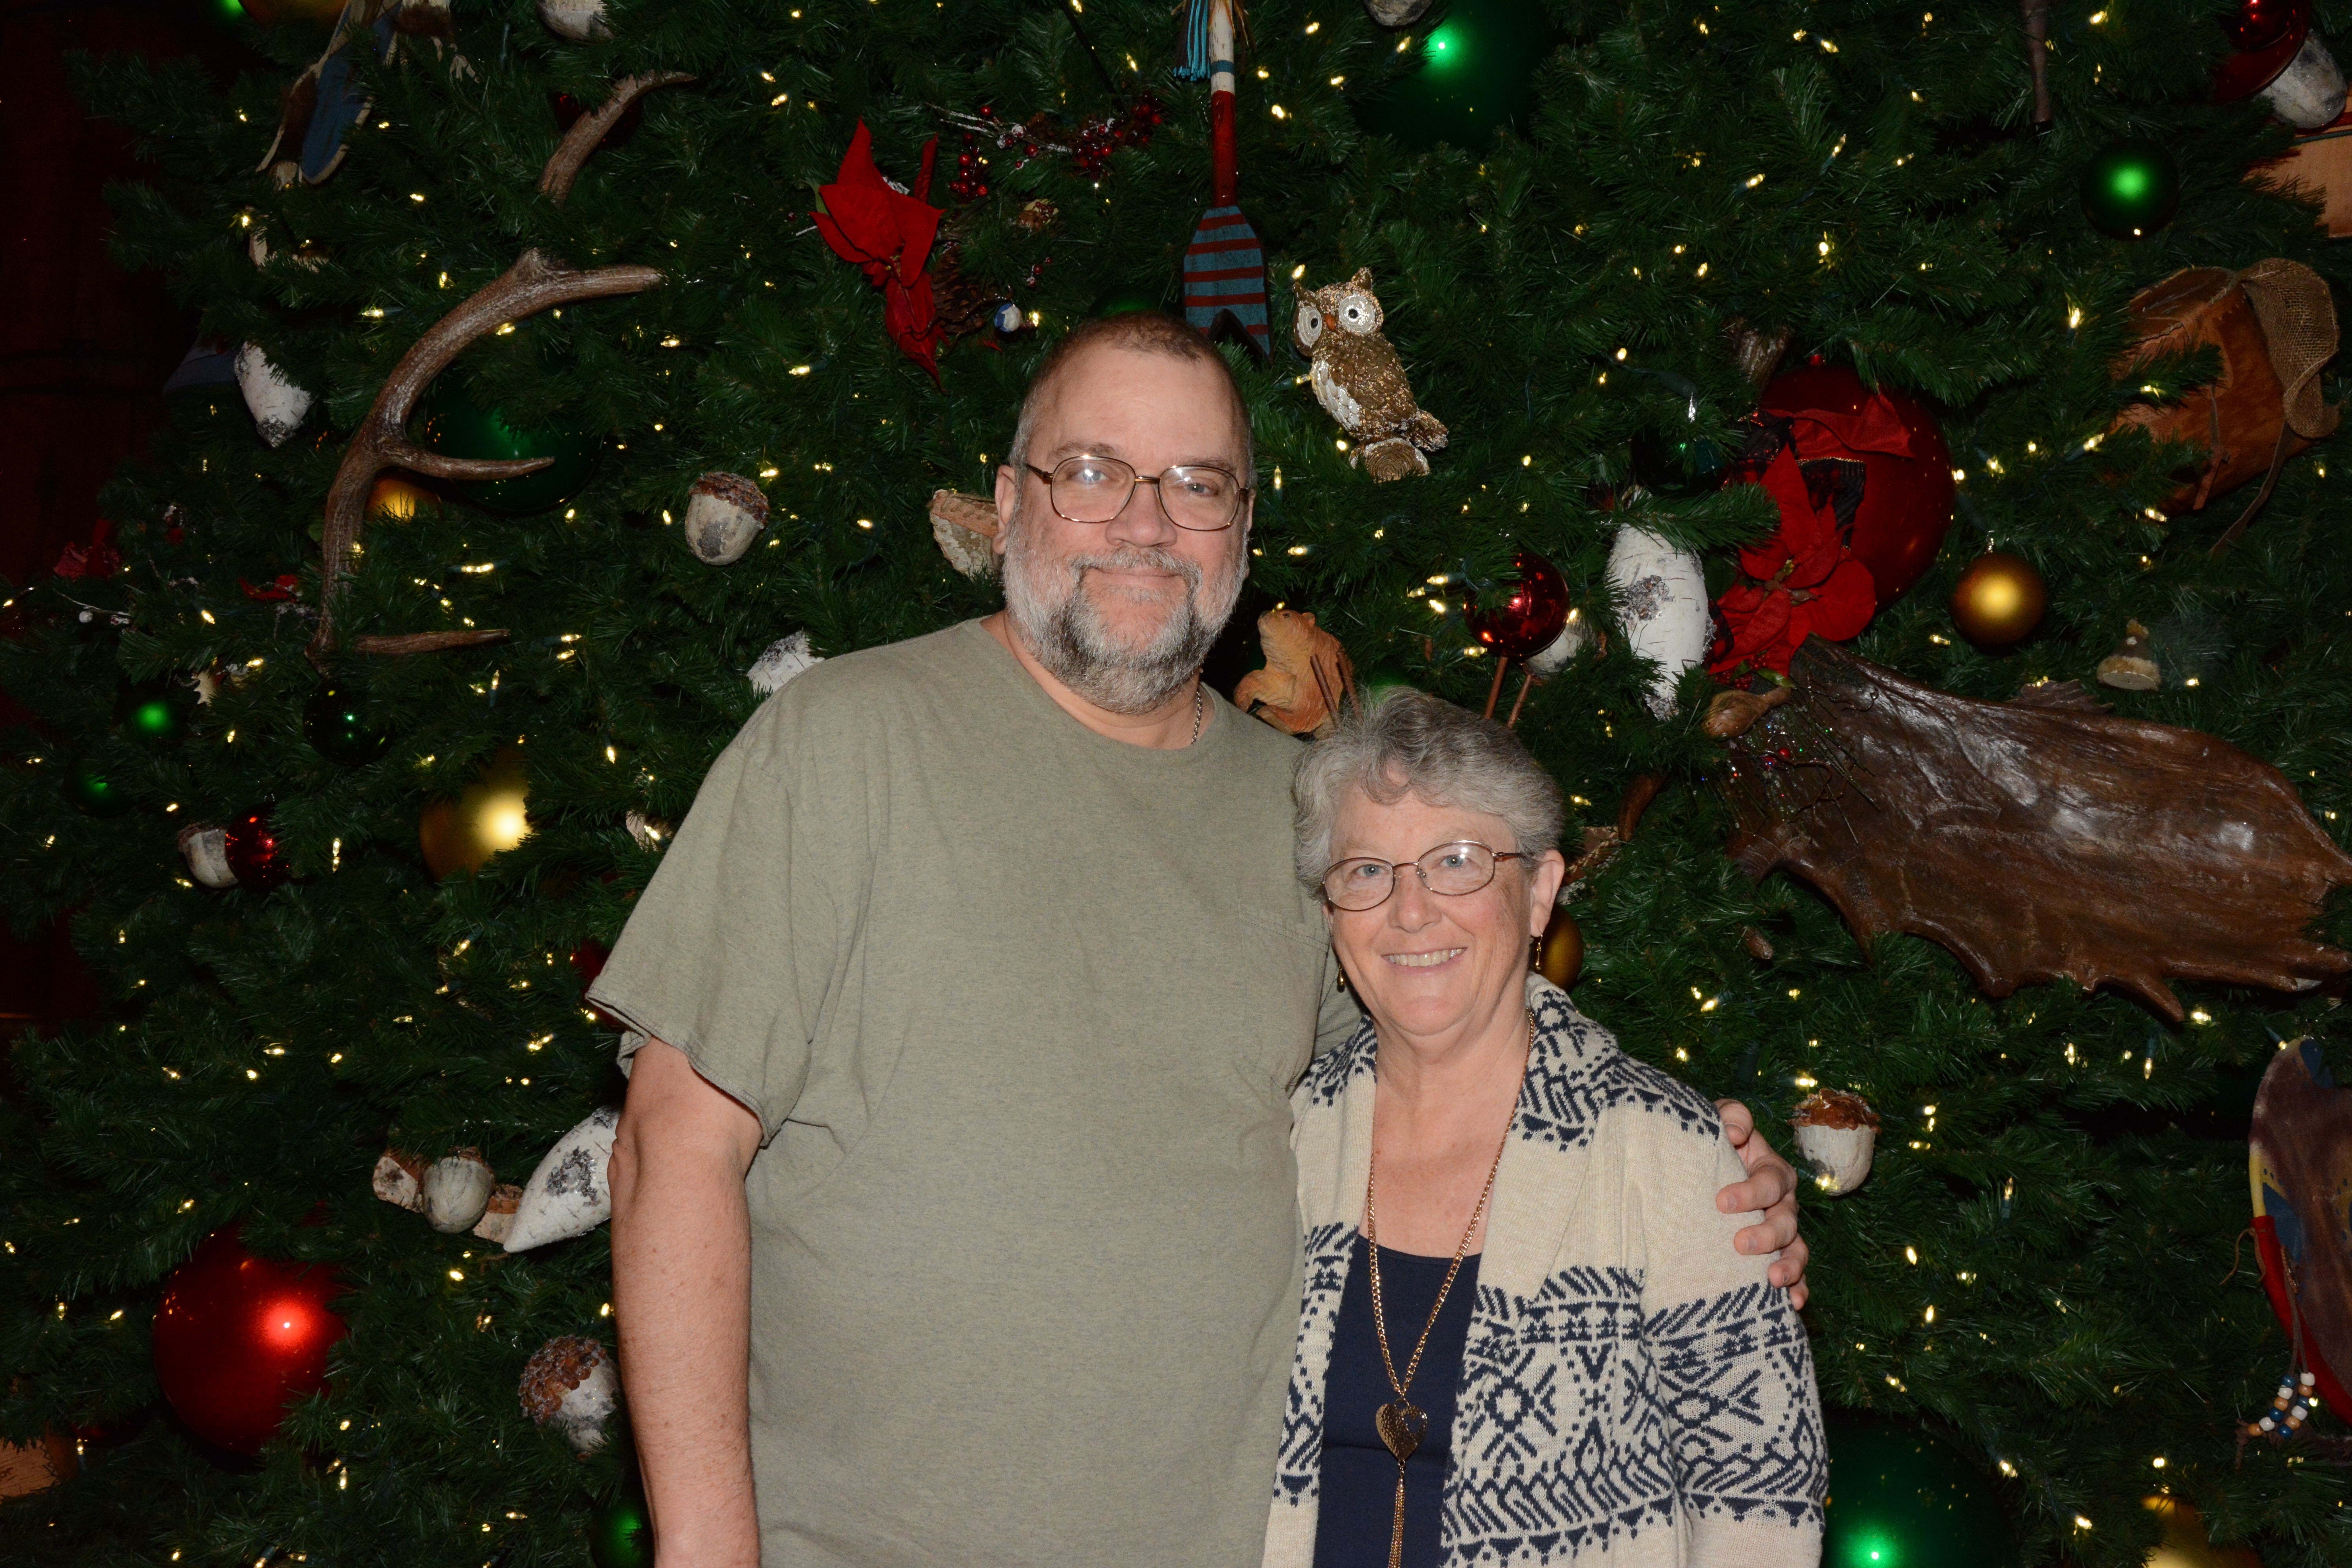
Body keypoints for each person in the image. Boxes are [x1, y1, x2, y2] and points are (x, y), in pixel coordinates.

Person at [590, 310, 1811, 1568]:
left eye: (1197, 483)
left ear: (1242, 526)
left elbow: (1454, 1080)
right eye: (1092, 472)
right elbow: (672, 1148)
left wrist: (1688, 1188)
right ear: (1008, 504)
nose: (1147, 522)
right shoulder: (845, 741)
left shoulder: (1310, 819)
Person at [1265, 691, 1825, 1568]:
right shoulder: (1289, 1138)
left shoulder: (1666, 1150)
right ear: (1332, 912)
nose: (1410, 910)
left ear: (1540, 892)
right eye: (1368, 870)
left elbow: (1762, 1500)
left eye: (1457, 862)